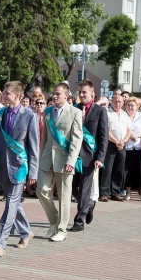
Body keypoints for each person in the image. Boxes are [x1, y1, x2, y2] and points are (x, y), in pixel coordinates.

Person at [0, 81, 39, 256]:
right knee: (12, 202)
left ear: (18, 96)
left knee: (10, 205)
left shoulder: (30, 116)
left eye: (7, 93)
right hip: (3, 167)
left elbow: (34, 146)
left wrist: (33, 172)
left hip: (20, 168)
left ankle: (0, 244)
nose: (3, 96)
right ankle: (26, 232)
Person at [36, 82, 83, 242]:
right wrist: (41, 156)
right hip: (47, 158)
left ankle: (62, 229)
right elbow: (45, 138)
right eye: (53, 93)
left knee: (64, 196)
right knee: (41, 190)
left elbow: (77, 139)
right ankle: (54, 221)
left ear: (67, 95)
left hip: (65, 160)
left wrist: (71, 159)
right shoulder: (47, 111)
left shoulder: (75, 112)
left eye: (58, 94)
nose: (54, 96)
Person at [69, 80, 108, 232]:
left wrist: (100, 157)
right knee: (73, 188)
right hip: (73, 156)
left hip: (90, 157)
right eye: (80, 92)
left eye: (84, 92)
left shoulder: (100, 111)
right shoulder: (74, 109)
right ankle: (89, 205)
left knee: (85, 188)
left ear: (92, 92)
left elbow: (103, 137)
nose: (82, 95)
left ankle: (79, 220)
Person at [99, 94, 131, 202]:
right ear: (111, 102)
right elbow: (106, 131)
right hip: (110, 144)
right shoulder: (107, 113)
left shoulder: (124, 114)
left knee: (119, 169)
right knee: (107, 168)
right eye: (115, 101)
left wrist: (123, 141)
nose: (117, 103)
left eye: (120, 102)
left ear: (123, 103)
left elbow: (129, 130)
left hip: (122, 144)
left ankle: (115, 192)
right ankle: (104, 192)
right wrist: (116, 141)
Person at [123, 97, 141, 201]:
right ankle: (128, 193)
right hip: (128, 147)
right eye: (128, 105)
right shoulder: (124, 116)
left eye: (132, 105)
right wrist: (130, 136)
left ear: (137, 107)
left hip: (139, 146)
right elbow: (122, 128)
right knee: (128, 171)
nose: (130, 107)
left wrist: (136, 135)